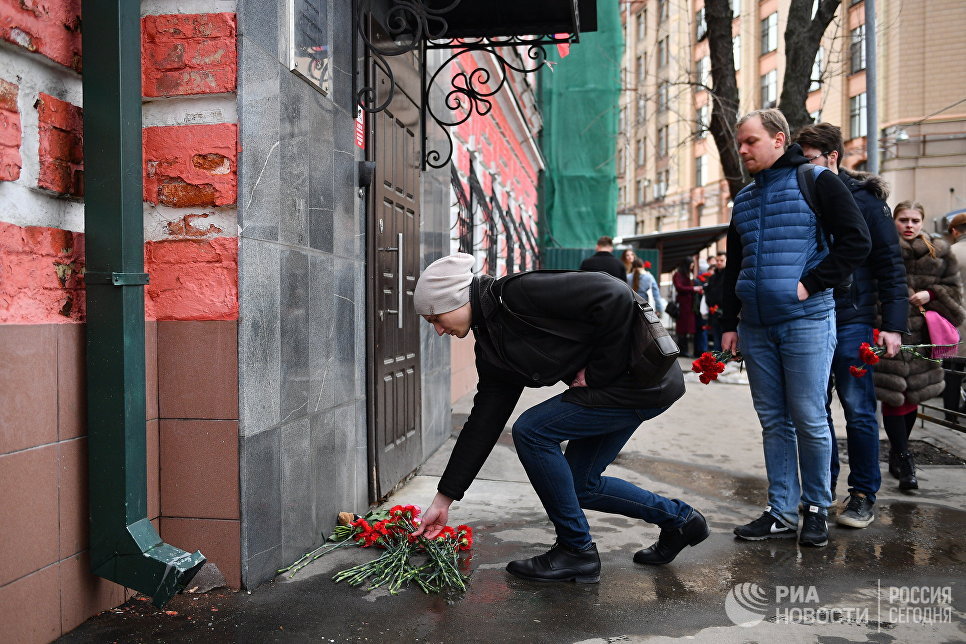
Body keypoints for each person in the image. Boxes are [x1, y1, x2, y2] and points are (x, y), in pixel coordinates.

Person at [411, 253, 708, 583]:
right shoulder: (492, 344)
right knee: (580, 484)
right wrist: (444, 498)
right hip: (631, 388)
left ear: (456, 298)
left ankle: (576, 550)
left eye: (436, 317)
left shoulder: (518, 293)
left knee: (533, 431)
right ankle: (680, 521)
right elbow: (483, 423)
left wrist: (597, 373)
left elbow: (614, 294)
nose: (438, 330)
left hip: (641, 380)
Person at [721, 109, 871, 548]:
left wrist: (810, 284)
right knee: (774, 421)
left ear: (778, 139)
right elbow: (736, 265)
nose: (742, 149)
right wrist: (730, 324)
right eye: (740, 142)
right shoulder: (745, 198)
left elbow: (856, 240)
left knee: (809, 417)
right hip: (757, 327)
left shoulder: (817, 180)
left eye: (750, 141)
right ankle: (781, 511)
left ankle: (817, 508)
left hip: (807, 321)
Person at [794, 122, 908, 529]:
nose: (802, 168)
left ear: (832, 157)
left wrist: (893, 326)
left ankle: (862, 493)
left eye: (809, 160)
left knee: (858, 407)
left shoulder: (865, 201)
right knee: (814, 409)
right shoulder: (799, 193)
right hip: (808, 316)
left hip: (853, 318)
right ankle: (821, 492)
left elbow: (890, 266)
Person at [873, 202, 965, 490]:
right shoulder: (881, 247)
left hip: (924, 336)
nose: (909, 225)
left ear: (923, 222)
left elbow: (955, 296)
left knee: (913, 397)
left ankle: (900, 456)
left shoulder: (940, 252)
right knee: (894, 396)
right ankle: (904, 456)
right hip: (889, 331)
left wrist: (932, 293)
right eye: (903, 220)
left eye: (915, 220)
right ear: (894, 221)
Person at [942, 213, 966, 421]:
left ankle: (951, 414)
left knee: (952, 368)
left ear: (955, 231)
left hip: (956, 318)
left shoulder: (951, 252)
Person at [672, 259, 702, 357]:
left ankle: (685, 350)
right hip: (683, 304)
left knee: (687, 328)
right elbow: (679, 287)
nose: (692, 267)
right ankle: (682, 350)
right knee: (682, 328)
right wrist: (693, 289)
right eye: (691, 265)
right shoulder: (678, 275)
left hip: (690, 305)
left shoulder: (688, 274)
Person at [703, 252, 727, 351]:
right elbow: (708, 292)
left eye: (721, 260)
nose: (719, 263)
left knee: (725, 337)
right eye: (717, 261)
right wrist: (711, 304)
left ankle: (725, 359)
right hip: (714, 311)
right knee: (716, 336)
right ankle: (718, 360)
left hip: (726, 311)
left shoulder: (730, 276)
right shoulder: (713, 277)